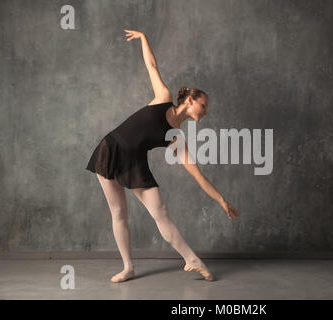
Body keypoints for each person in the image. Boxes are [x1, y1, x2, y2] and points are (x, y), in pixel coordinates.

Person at [85, 29, 240, 283]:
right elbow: (152, 66)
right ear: (190, 101)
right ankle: (128, 267)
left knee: (161, 212)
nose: (206, 111)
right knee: (118, 213)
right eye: (204, 105)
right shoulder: (163, 98)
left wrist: (222, 200)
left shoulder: (176, 137)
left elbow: (197, 175)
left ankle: (192, 260)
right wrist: (144, 38)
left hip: (135, 162)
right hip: (111, 149)